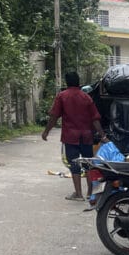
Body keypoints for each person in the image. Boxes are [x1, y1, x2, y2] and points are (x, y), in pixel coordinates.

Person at [41, 71, 104, 201]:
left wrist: (46, 131)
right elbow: (95, 119)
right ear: (78, 81)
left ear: (67, 82)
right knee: (88, 164)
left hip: (70, 136)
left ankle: (78, 194)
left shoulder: (62, 96)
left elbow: (54, 116)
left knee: (74, 164)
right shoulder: (86, 97)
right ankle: (90, 194)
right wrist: (103, 135)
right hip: (86, 136)